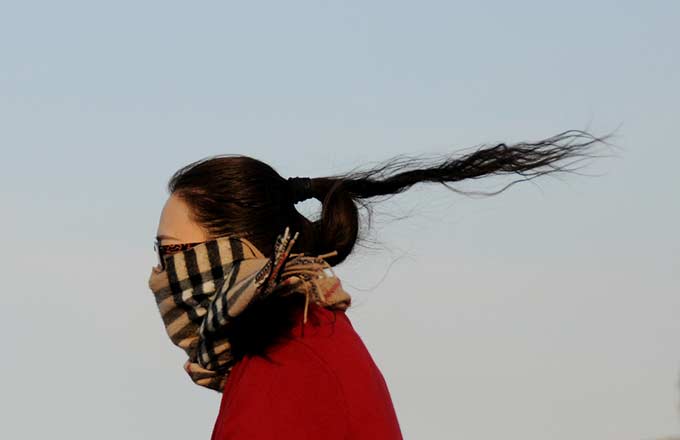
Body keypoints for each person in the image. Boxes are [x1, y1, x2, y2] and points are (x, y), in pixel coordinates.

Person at [147, 129, 616, 439]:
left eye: (170, 253)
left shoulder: (286, 362)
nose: (159, 276)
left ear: (241, 253)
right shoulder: (303, 340)